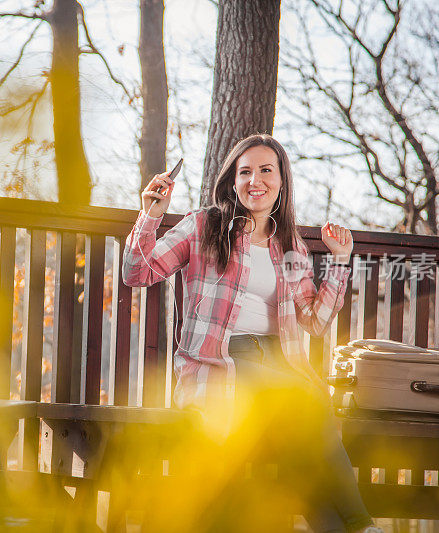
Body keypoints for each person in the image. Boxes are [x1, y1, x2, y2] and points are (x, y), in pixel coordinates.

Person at [122, 134, 381, 533]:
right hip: (223, 364)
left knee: (302, 460)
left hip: (277, 370)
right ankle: (364, 523)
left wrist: (341, 261)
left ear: (281, 181)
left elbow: (314, 320)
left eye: (265, 170)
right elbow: (137, 273)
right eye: (245, 172)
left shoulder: (288, 242)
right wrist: (150, 216)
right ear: (232, 180)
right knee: (307, 399)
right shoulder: (204, 225)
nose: (254, 180)